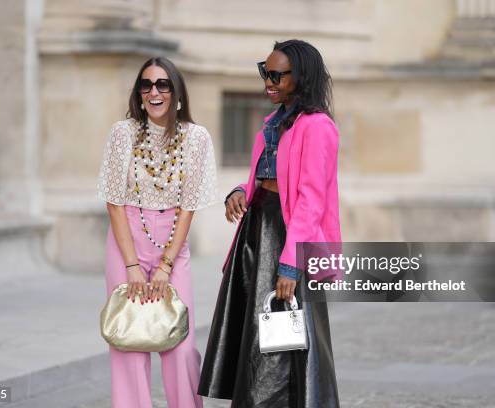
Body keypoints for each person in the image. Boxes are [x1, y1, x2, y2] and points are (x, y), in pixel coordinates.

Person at [198, 39, 341, 407]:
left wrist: (291, 264)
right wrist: (240, 191)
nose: (268, 81)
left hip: (290, 234)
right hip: (257, 229)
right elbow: (265, 177)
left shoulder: (318, 127)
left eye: (277, 74)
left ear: (302, 77)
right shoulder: (272, 124)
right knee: (257, 335)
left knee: (288, 336)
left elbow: (310, 201)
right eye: (266, 71)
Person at [96, 56, 217, 408]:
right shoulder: (124, 133)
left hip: (173, 246)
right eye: (146, 85)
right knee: (128, 344)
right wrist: (132, 265)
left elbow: (190, 206)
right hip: (126, 243)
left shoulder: (196, 138)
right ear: (139, 93)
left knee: (179, 345)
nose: (154, 92)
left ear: (176, 91)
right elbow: (114, 203)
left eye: (162, 84)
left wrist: (165, 264)